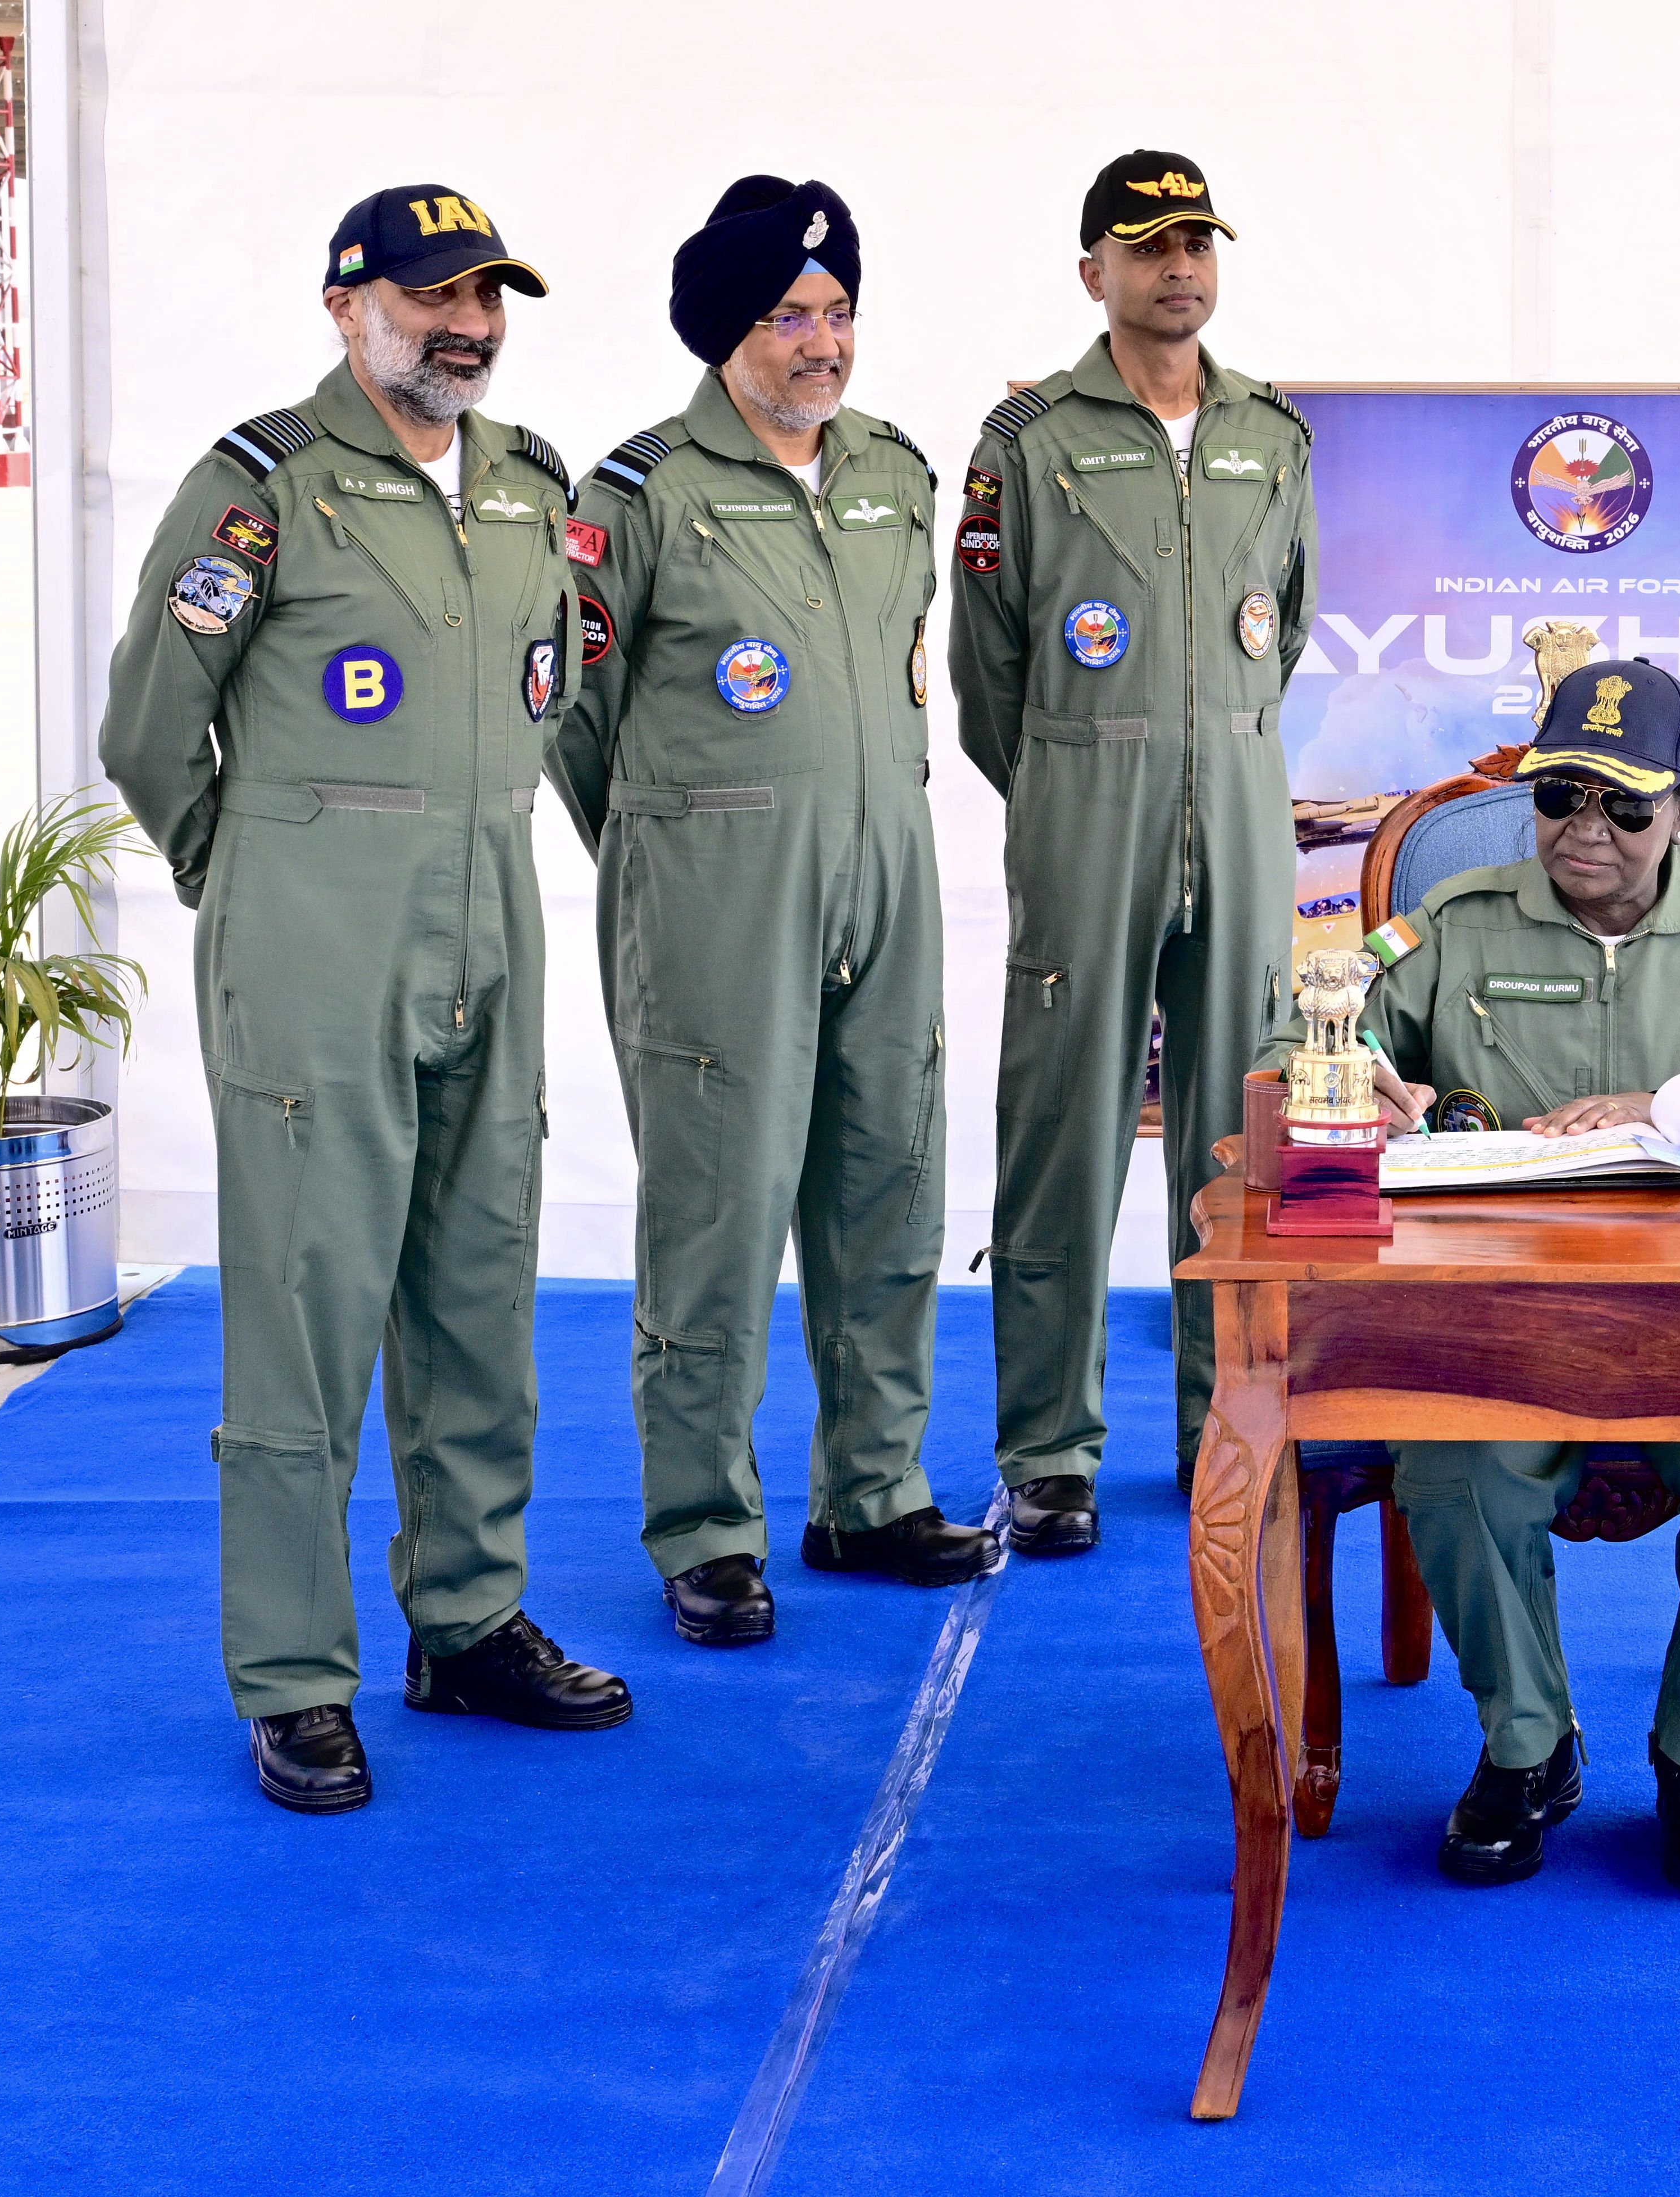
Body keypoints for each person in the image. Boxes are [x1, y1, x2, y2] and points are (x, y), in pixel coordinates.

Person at [98, 186, 629, 1817]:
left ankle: (465, 1623)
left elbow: (551, 700)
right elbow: (147, 729)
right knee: (309, 1317)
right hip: (315, 954)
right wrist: (260, 876)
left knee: (478, 1299)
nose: (465, 327)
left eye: (486, 298)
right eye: (430, 297)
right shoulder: (263, 489)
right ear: (348, 307)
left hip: (488, 937)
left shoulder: (531, 487)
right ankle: (292, 1676)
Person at [1254, 659, 1680, 1891]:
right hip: (1493, 1328)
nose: (1587, 828)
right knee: (1451, 1468)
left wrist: (1676, 1104)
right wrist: (1353, 1080)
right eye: (1562, 795)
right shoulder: (1452, 922)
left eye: (1626, 805)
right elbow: (1295, 1041)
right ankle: (1528, 1748)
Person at [546, 177, 995, 1635]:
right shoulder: (638, 497)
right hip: (715, 905)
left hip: (887, 884)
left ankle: (871, 1493)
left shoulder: (894, 476)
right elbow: (572, 716)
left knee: (890, 1193)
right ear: (726, 329)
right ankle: (705, 1527)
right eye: (792, 315)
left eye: (839, 310)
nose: (825, 342)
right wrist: (677, 851)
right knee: (718, 1219)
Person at [949, 150, 1318, 1548]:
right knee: (1062, 1133)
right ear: (1092, 270)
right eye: (1149, 244)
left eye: (1197, 243)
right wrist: (1074, 778)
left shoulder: (1271, 434)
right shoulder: (1030, 442)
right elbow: (988, 670)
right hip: (1085, 814)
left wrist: (1211, 753)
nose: (1179, 267)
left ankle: (1230, 1424)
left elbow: (1284, 627)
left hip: (1241, 812)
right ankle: (1050, 1450)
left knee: (1244, 1137)